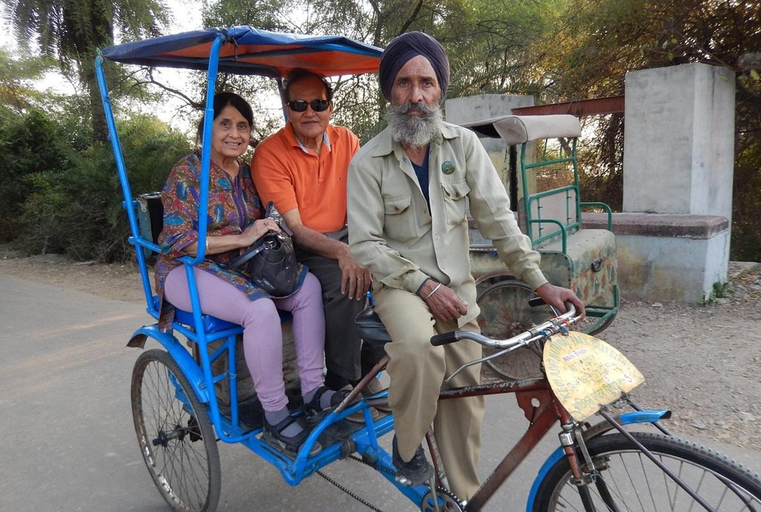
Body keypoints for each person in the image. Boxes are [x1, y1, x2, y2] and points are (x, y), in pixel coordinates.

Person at [346, 32, 586, 500]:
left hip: (458, 289)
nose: (416, 96)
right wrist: (423, 288)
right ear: (389, 92)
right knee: (419, 351)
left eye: (427, 83)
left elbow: (499, 221)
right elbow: (366, 246)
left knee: (464, 400)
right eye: (404, 83)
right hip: (399, 285)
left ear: (441, 91)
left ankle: (461, 497)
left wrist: (541, 283)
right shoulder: (367, 161)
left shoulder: (465, 147)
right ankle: (408, 443)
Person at [155, 92, 347, 456]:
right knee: (259, 310)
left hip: (239, 267)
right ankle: (274, 416)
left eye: (242, 126)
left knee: (307, 287)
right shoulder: (187, 173)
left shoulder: (245, 174)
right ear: (207, 129)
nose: (235, 133)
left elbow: (269, 215)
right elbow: (177, 239)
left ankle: (311, 391)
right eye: (225, 124)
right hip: (187, 268)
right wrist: (242, 237)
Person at [251, 68, 388, 401]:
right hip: (299, 247)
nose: (309, 111)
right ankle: (341, 381)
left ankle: (371, 365)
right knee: (347, 282)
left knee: (395, 271)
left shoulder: (347, 140)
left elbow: (363, 199)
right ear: (287, 109)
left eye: (318, 103)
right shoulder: (270, 154)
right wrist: (344, 253)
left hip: (346, 234)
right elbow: (296, 229)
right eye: (299, 104)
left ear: (330, 107)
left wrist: (364, 244)